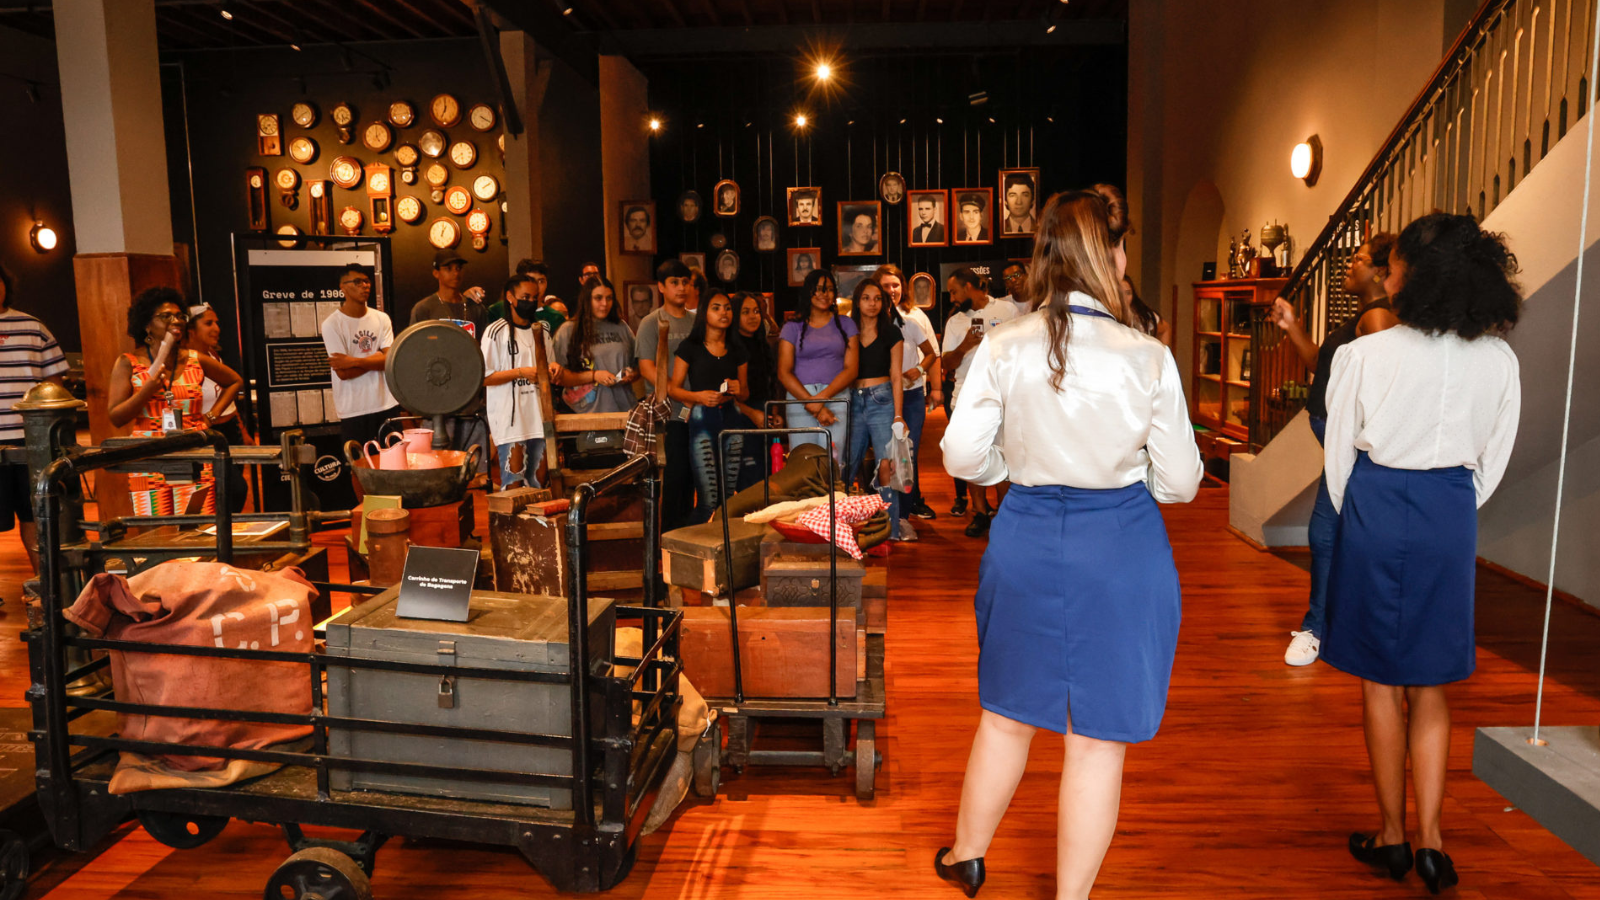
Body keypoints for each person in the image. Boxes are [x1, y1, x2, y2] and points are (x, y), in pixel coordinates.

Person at [936, 190, 1202, 900]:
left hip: (1026, 534)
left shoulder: (1002, 344)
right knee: (1097, 739)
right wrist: (1127, 471)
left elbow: (961, 457)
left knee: (1007, 713)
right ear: (1106, 255)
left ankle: (967, 853)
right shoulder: (1147, 355)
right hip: (1120, 542)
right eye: (1120, 248)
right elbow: (1180, 483)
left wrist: (1012, 470)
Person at [1321, 213, 1521, 894]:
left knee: (1380, 679)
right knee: (1431, 682)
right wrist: (1451, 512)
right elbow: (1492, 464)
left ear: (1415, 273)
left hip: (1377, 505)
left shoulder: (1365, 354)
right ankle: (1434, 842)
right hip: (1449, 515)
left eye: (1397, 260)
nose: (1390, 270)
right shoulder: (1497, 360)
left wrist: (1369, 517)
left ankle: (1393, 836)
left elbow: (1338, 459)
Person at [1269, 234, 1400, 666]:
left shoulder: (1378, 318)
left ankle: (1317, 630)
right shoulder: (1361, 317)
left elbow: (1383, 390)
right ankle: (1341, 625)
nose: (1349, 267)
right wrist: (1292, 326)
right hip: (1336, 438)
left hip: (1350, 444)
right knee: (1335, 532)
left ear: (1380, 272)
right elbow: (1316, 367)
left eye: (1358, 261)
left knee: (1326, 533)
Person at [109, 287, 245, 513]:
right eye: (166, 316)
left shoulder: (193, 358)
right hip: (149, 457)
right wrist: (146, 391)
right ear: (147, 324)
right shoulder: (128, 363)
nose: (176, 320)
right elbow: (116, 416)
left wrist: (210, 417)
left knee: (199, 527)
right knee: (156, 532)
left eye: (180, 315)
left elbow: (234, 381)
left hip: (195, 454)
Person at [0, 263, 68, 578]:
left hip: (32, 442)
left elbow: (55, 381)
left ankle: (46, 589)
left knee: (36, 517)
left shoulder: (32, 327)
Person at [941, 267, 1017, 537]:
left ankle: (1005, 514)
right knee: (974, 456)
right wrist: (964, 345)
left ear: (970, 287)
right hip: (966, 396)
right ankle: (980, 511)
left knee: (1005, 455)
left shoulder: (1008, 312)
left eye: (954, 292)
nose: (951, 298)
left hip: (1003, 394)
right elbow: (946, 364)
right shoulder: (955, 322)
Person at [668, 291, 750, 524]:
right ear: (704, 313)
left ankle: (722, 555)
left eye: (727, 308)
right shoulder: (690, 347)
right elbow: (673, 390)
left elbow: (745, 393)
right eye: (716, 308)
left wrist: (737, 388)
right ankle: (695, 553)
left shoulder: (737, 348)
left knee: (728, 498)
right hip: (702, 418)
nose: (723, 313)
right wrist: (698, 397)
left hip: (732, 417)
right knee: (708, 498)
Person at [411, 251, 491, 478]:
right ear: (436, 272)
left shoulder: (475, 308)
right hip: (438, 404)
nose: (455, 272)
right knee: (438, 469)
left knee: (476, 470)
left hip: (471, 400)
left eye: (459, 267)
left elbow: (484, 352)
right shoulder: (424, 309)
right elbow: (414, 355)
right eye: (448, 268)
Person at [635, 260, 697, 530]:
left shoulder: (697, 322)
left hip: (698, 408)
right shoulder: (651, 322)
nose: (681, 288)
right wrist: (681, 393)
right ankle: (669, 538)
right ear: (661, 287)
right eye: (674, 282)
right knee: (674, 477)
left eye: (685, 282)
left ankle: (689, 537)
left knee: (695, 477)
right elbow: (647, 368)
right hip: (668, 411)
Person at [481, 275, 559, 490]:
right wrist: (520, 372)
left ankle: (535, 523)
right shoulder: (495, 331)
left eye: (534, 298)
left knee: (538, 484)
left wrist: (554, 369)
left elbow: (551, 367)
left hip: (539, 416)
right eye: (525, 297)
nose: (530, 302)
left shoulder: (542, 330)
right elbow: (484, 378)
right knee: (513, 484)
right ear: (510, 297)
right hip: (510, 419)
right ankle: (510, 524)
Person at [877, 265, 941, 523]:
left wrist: (927, 379)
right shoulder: (869, 316)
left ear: (903, 287)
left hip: (911, 394)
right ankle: (885, 509)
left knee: (907, 453)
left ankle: (906, 508)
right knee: (884, 453)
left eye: (895, 285)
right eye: (885, 286)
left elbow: (932, 353)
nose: (891, 290)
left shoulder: (914, 317)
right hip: (881, 394)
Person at [844, 278, 906, 539]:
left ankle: (889, 531)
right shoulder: (847, 330)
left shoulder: (891, 331)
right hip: (852, 399)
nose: (872, 303)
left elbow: (896, 375)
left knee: (886, 465)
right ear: (857, 301)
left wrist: (899, 415)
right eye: (866, 298)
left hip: (882, 399)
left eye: (878, 298)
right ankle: (843, 527)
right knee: (847, 463)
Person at [778, 269, 858, 462]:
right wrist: (812, 403)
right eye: (819, 289)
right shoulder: (792, 327)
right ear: (808, 292)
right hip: (800, 399)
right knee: (802, 460)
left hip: (836, 395)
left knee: (833, 461)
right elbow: (783, 372)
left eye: (830, 289)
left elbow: (851, 369)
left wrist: (821, 398)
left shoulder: (846, 324)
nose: (825, 294)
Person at [555, 276, 639, 451]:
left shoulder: (621, 327)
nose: (604, 304)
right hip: (584, 414)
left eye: (609, 298)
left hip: (623, 410)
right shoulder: (568, 330)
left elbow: (638, 364)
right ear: (587, 299)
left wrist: (632, 374)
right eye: (598, 298)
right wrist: (594, 375)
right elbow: (559, 376)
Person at [184, 302, 252, 513]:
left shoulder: (213, 356)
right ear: (191, 330)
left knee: (231, 489)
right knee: (235, 488)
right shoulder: (184, 362)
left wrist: (241, 430)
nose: (217, 328)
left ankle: (226, 535)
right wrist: (210, 418)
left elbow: (228, 396)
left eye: (217, 323)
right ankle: (222, 536)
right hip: (210, 434)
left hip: (230, 430)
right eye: (208, 323)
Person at [320, 264, 398, 446]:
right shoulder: (332, 324)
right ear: (343, 287)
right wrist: (377, 357)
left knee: (393, 464)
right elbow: (343, 373)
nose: (365, 285)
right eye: (357, 282)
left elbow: (391, 361)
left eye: (366, 281)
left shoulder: (381, 318)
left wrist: (352, 361)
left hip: (386, 404)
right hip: (353, 409)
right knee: (360, 467)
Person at [1121, 276, 1173, 347]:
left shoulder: (1141, 317)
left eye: (1128, 293)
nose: (1124, 298)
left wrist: (1159, 356)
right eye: (1119, 292)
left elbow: (1165, 329)